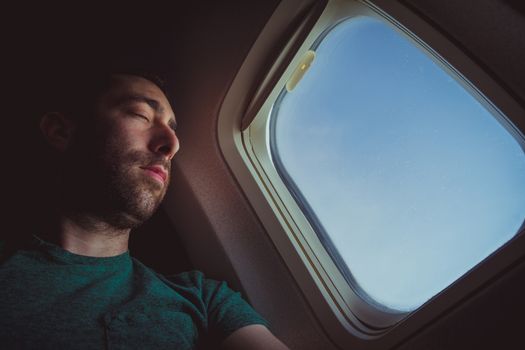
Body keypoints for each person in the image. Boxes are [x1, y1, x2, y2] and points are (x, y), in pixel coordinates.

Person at [0, 70, 289, 349]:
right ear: (61, 132)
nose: (173, 144)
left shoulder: (204, 299)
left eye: (173, 129)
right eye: (141, 115)